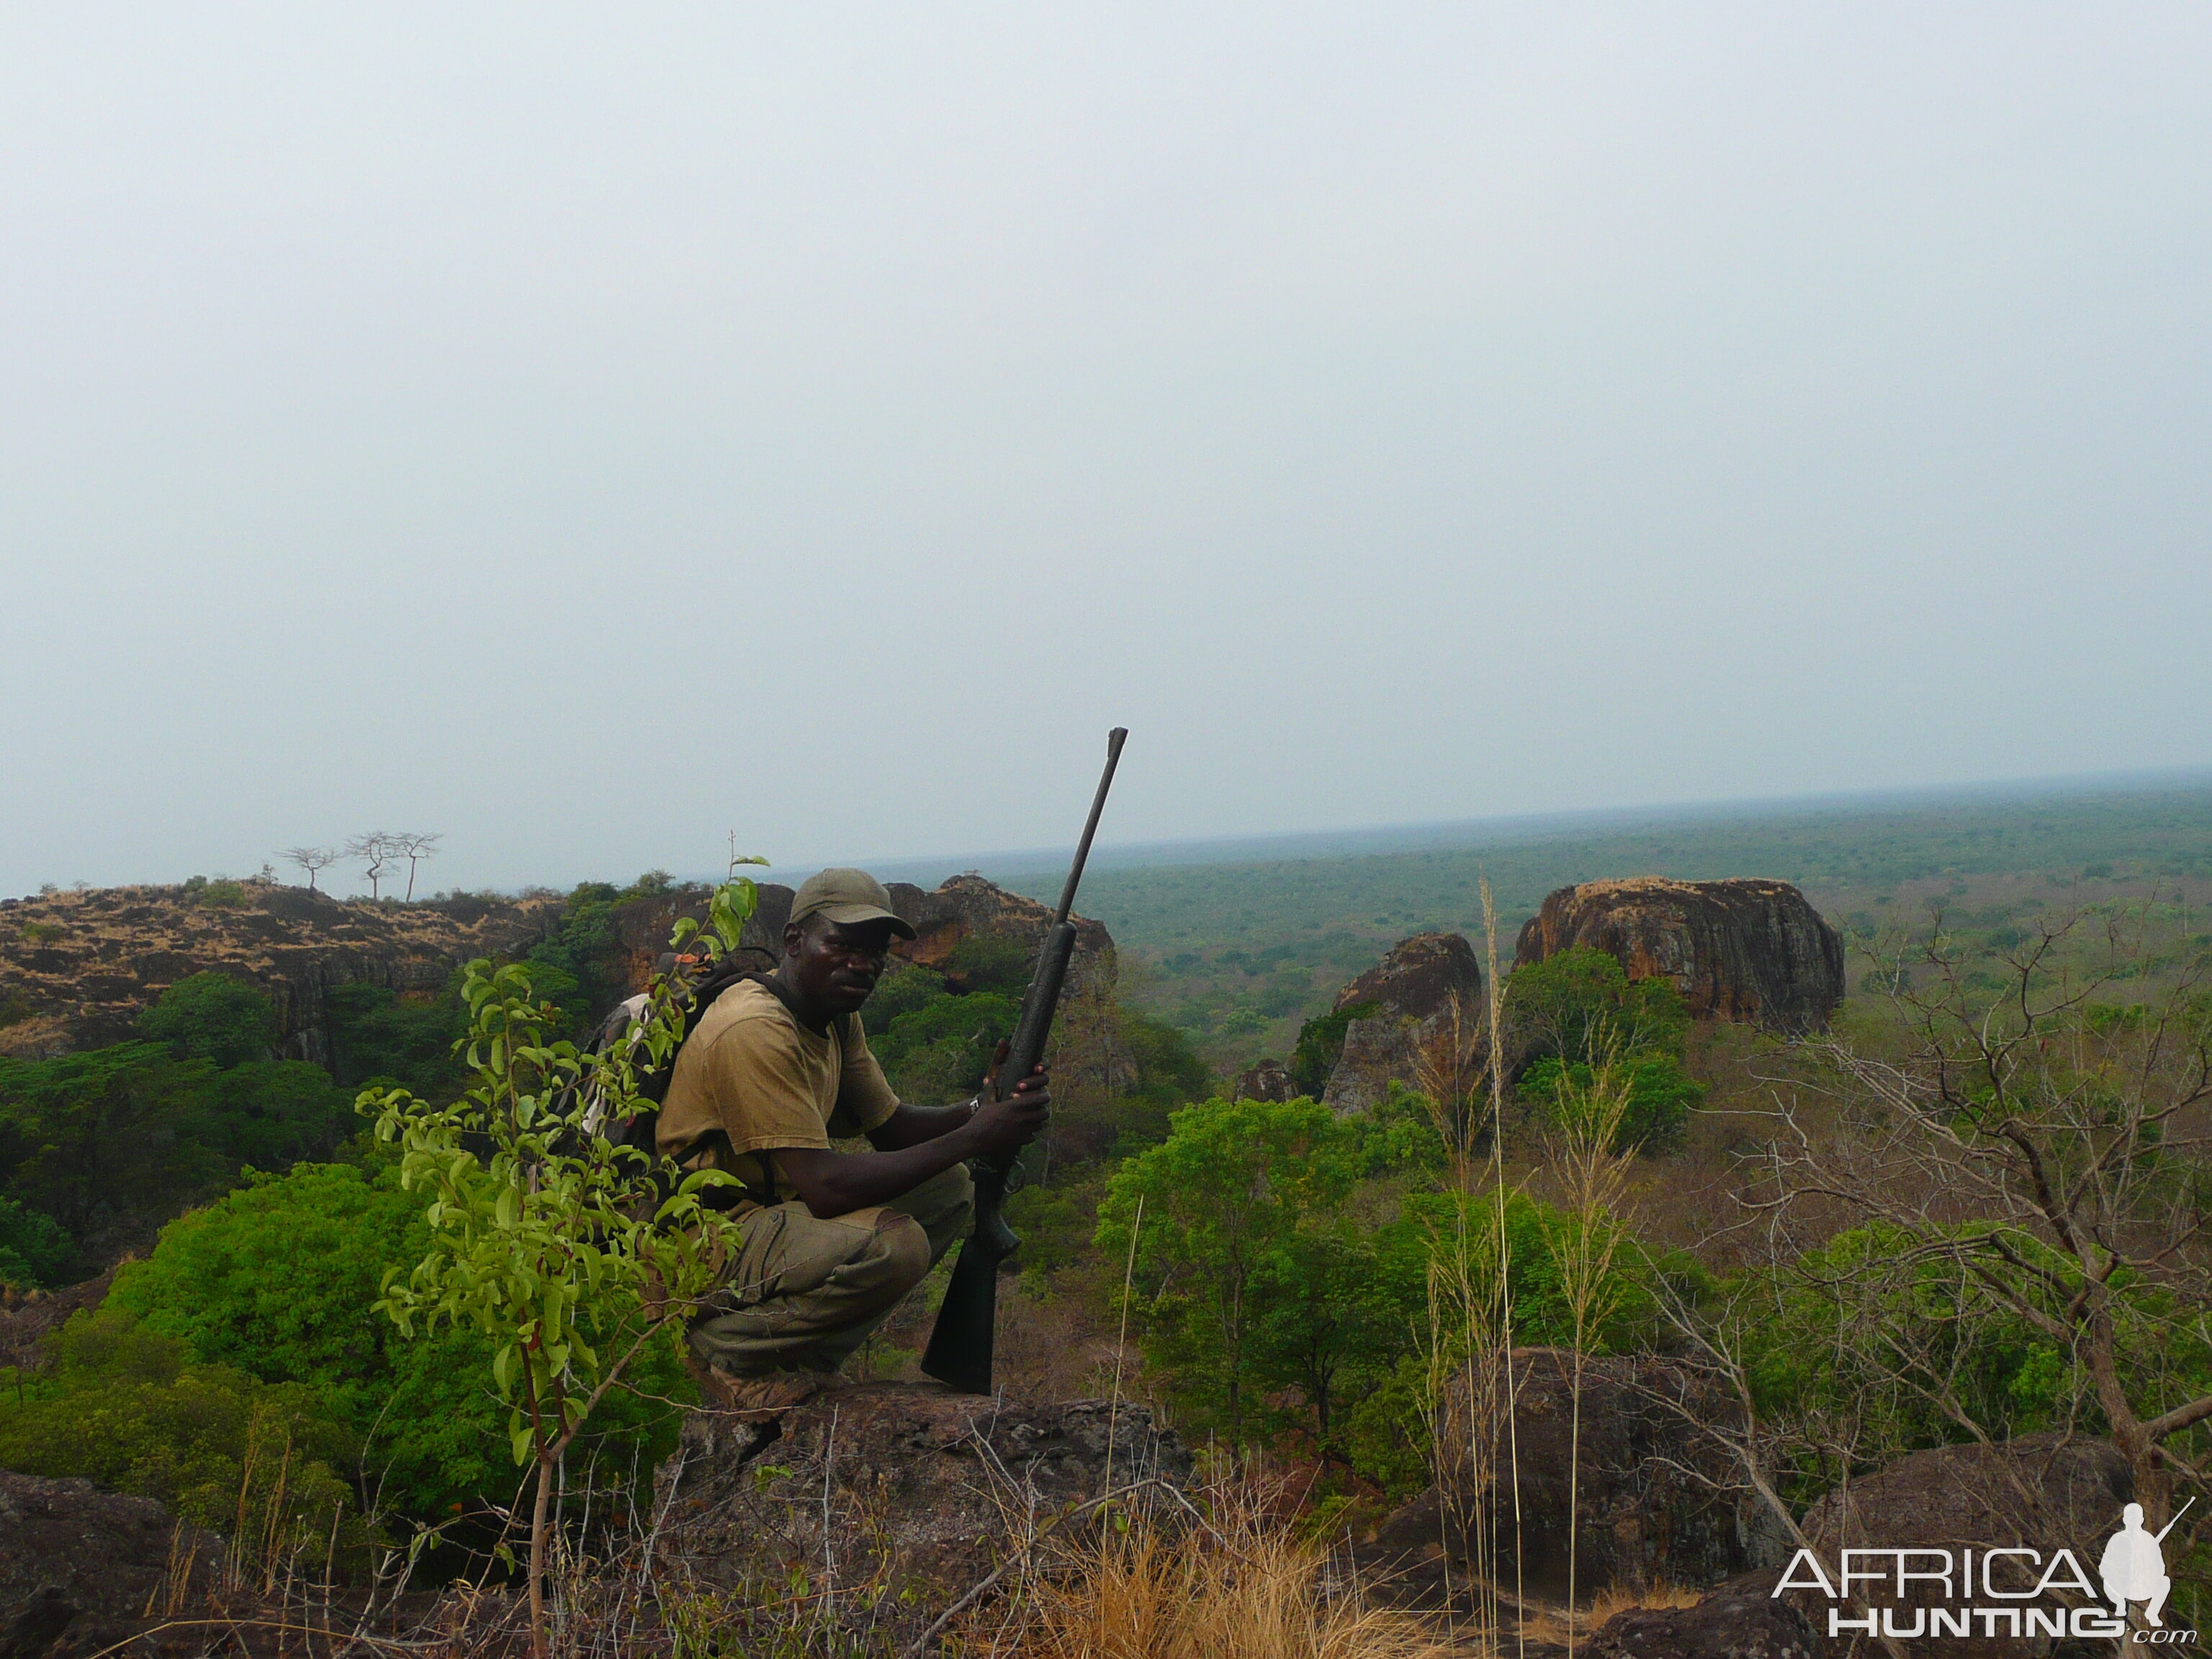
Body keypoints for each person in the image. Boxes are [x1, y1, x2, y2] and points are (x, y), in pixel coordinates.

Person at [655, 866, 1050, 1412]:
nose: (861, 964)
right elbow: (825, 1189)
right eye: (840, 945)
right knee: (894, 1243)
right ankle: (728, 1355)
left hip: (763, 1216)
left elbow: (892, 1128)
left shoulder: (833, 1015)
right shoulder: (753, 1028)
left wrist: (987, 1107)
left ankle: (802, 1357)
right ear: (794, 942)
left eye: (874, 952)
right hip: (697, 1237)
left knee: (948, 1188)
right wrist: (977, 1137)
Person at [2100, 1502, 2173, 1626]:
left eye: (2136, 1517)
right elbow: (2105, 1567)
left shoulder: (2149, 1540)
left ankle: (2152, 1613)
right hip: (2122, 1587)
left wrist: (2147, 1565)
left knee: (2165, 1581)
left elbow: (2161, 1568)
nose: (2133, 1520)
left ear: (2142, 1519)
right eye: (2130, 1517)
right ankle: (2120, 1604)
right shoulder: (2117, 1539)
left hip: (2144, 1586)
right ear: (2124, 1519)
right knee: (2107, 1582)